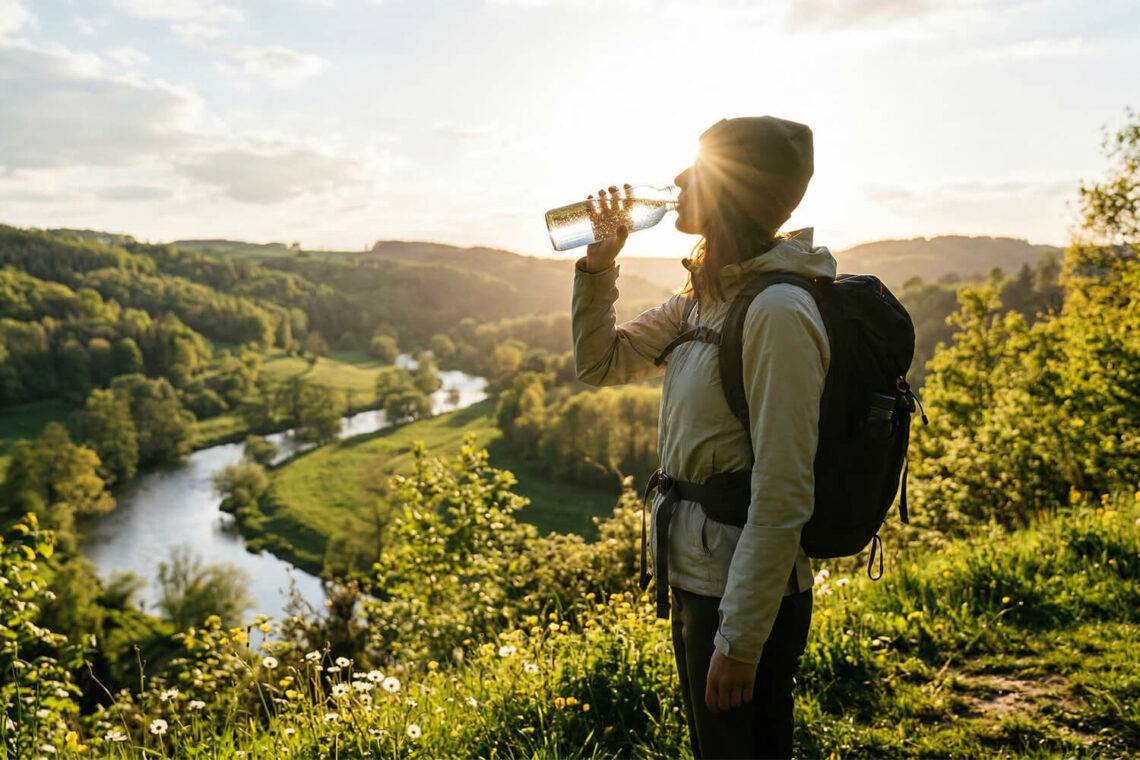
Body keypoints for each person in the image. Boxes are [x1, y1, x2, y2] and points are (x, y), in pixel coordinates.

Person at [570, 116, 835, 759]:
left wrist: (739, 642)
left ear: (733, 194)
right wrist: (601, 264)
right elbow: (600, 364)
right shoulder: (703, 295)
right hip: (699, 576)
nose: (681, 182)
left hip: (743, 595)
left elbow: (783, 492)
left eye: (700, 171)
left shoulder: (776, 311)